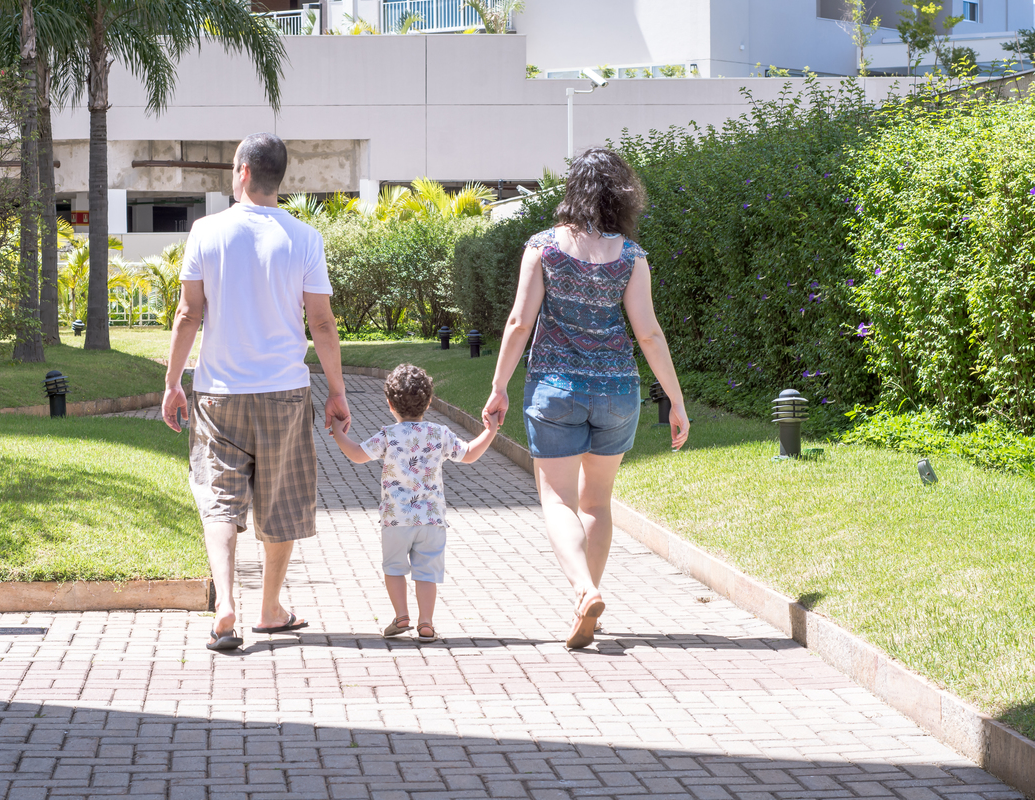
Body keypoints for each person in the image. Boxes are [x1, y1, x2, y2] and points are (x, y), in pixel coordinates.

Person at [483, 147, 689, 650]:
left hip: (555, 390)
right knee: (597, 501)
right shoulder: (632, 256)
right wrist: (676, 401)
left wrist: (499, 386)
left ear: (573, 189)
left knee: (557, 498)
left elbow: (519, 322)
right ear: (623, 195)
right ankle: (587, 601)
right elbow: (649, 334)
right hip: (618, 391)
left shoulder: (543, 247)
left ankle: (584, 591)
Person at [162, 132, 349, 652]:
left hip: (218, 393)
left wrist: (173, 382)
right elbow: (322, 323)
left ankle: (226, 606)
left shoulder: (206, 231)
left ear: (243, 171)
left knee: (220, 499)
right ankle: (269, 608)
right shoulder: (304, 237)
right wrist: (337, 391)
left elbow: (188, 314)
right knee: (282, 501)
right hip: (285, 391)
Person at [329, 364, 499, 643]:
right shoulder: (439, 433)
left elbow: (358, 455)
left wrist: (338, 432)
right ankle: (426, 623)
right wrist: (490, 430)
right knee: (427, 572)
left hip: (395, 519)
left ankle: (401, 616)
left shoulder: (388, 435)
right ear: (429, 401)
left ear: (390, 403)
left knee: (394, 568)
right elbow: (468, 454)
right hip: (431, 519)